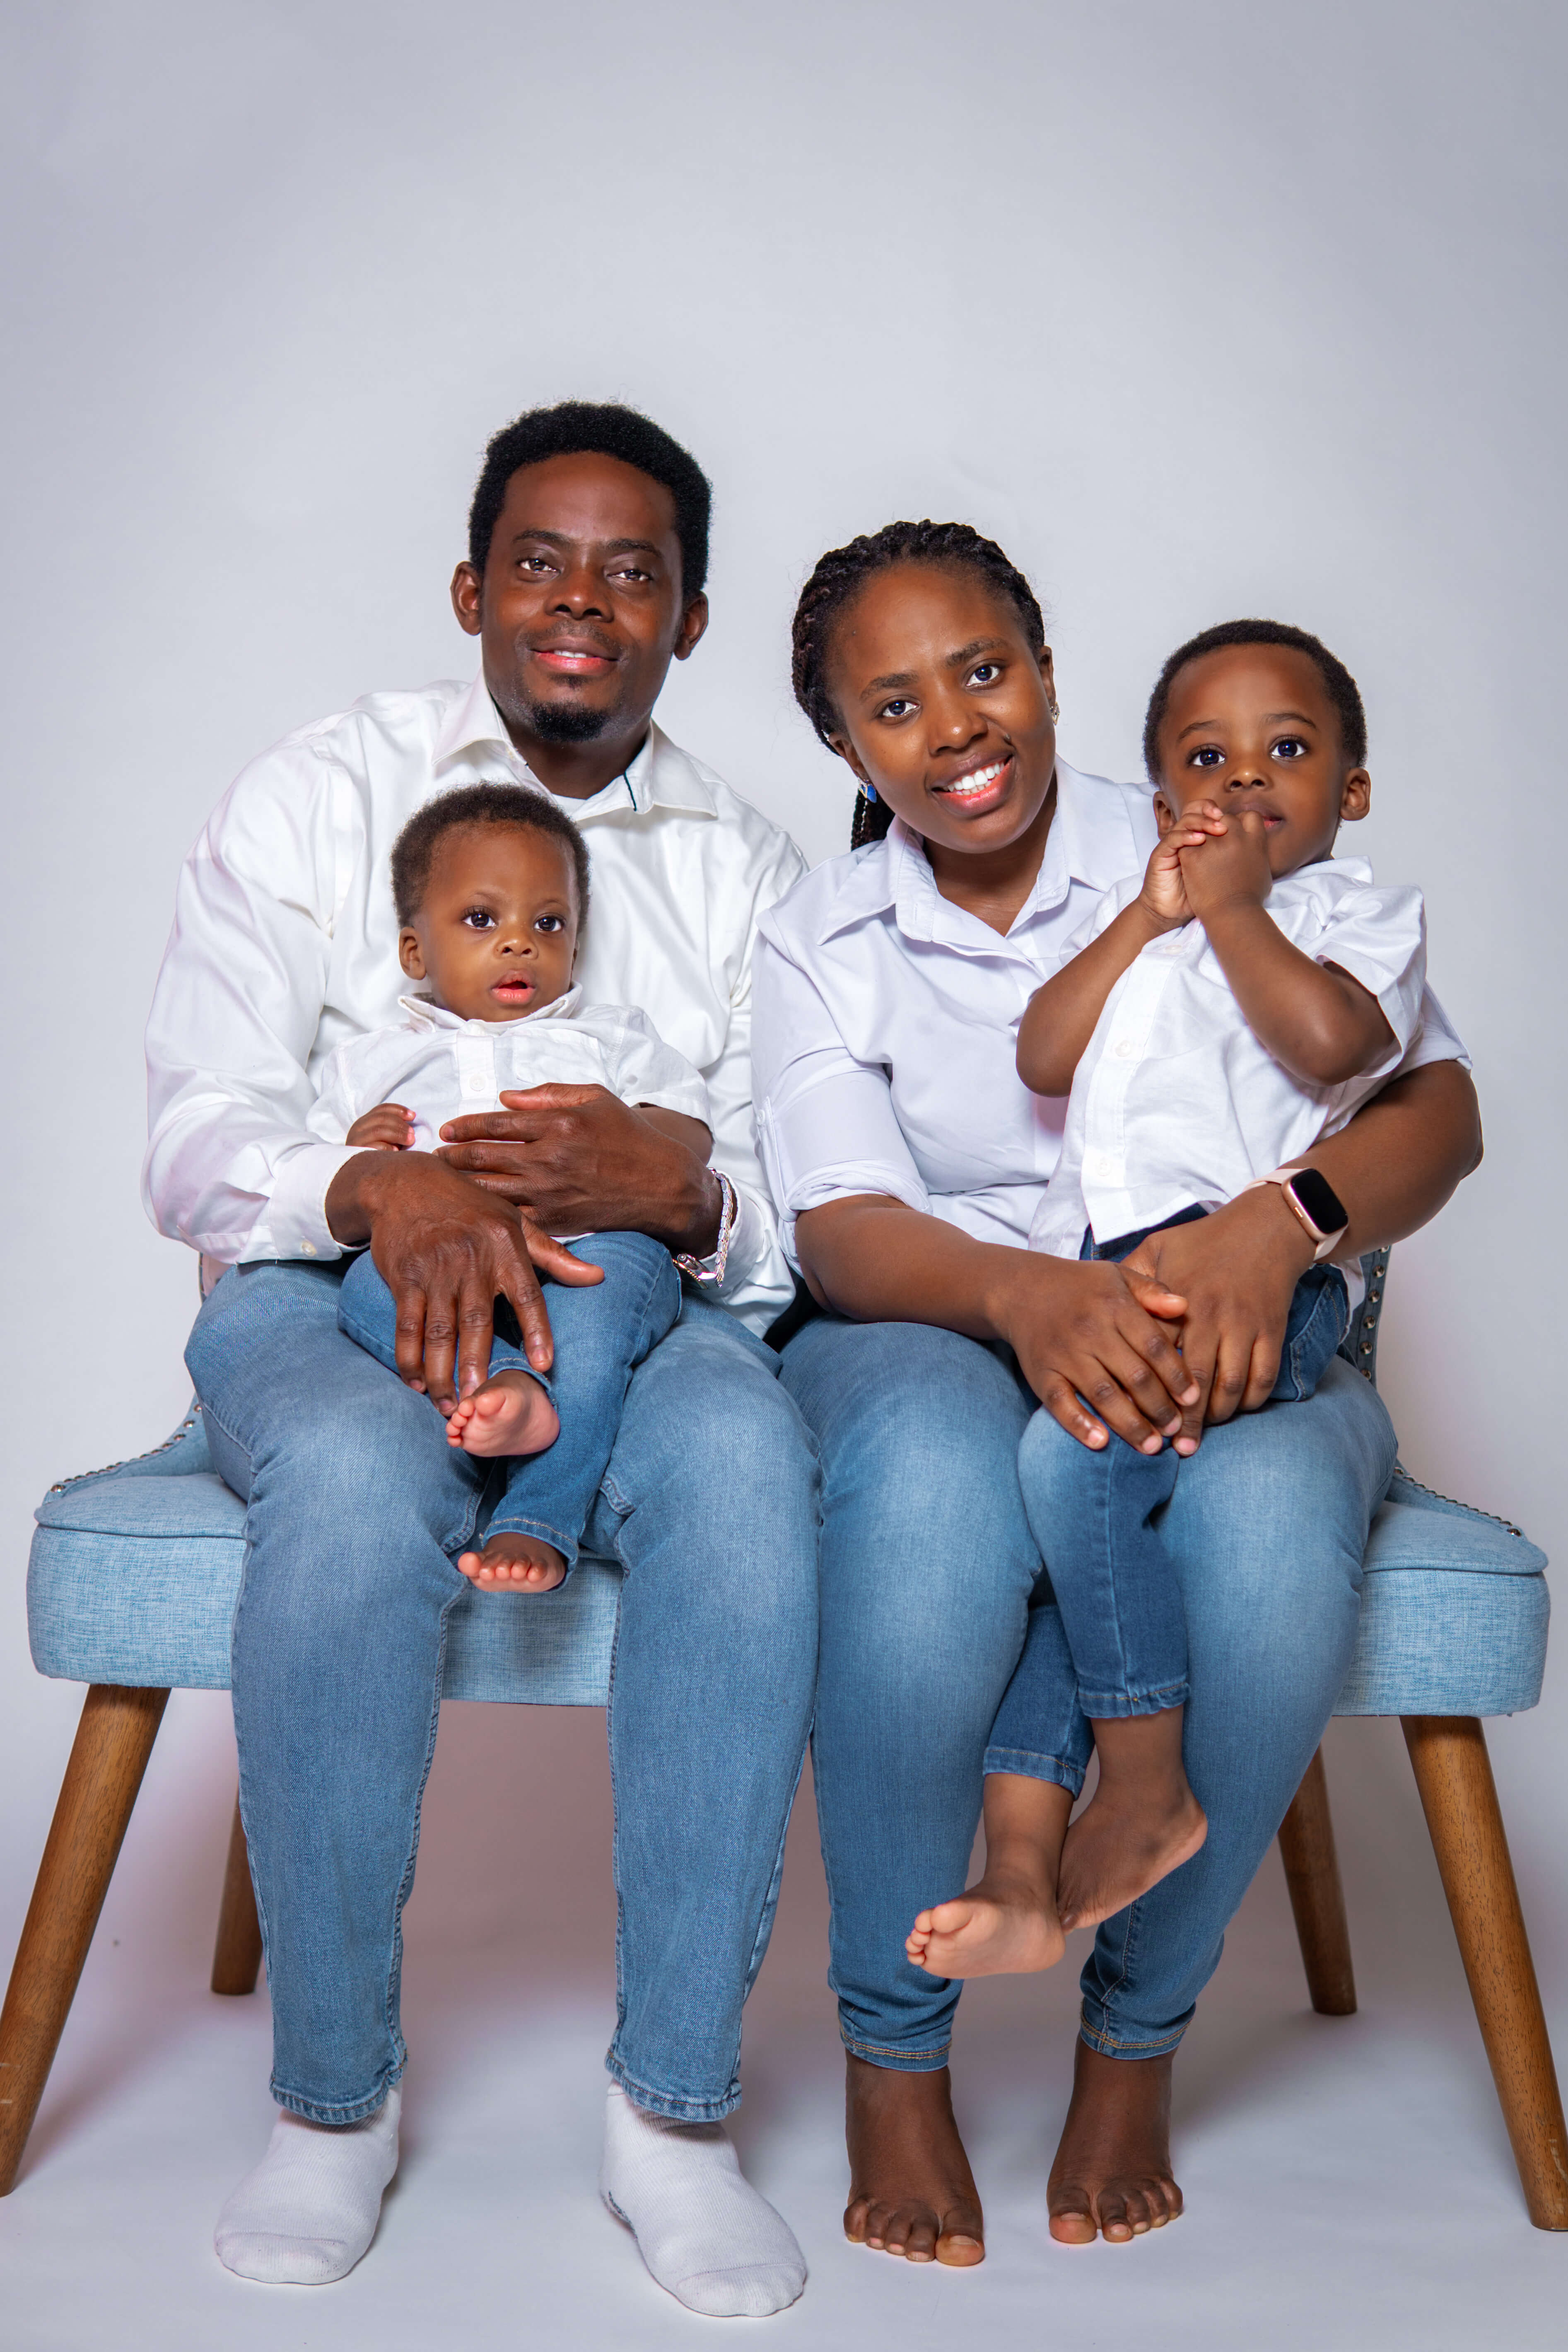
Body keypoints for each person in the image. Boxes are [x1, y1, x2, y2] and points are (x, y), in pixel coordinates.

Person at [143, 403, 817, 2316]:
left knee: (753, 1478)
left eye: (633, 568)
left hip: (636, 1295)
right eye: (541, 558)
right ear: (473, 587)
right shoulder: (318, 790)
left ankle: (672, 2112)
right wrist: (381, 1189)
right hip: (324, 1288)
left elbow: (792, 1203)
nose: (581, 601)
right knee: (357, 1480)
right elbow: (193, 1135)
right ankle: (333, 2097)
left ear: (690, 617)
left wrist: (679, 1187)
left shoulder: (747, 870)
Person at [753, 521, 1480, 2262]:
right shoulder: (825, 932)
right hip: (935, 1320)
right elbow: (846, 1230)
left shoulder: (1203, 826)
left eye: (984, 672)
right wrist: (1028, 1291)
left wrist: (1278, 1226)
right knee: (946, 1496)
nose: (955, 727)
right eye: (894, 706)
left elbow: (1429, 1111)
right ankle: (892, 2056)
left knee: (1269, 1531)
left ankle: (1131, 2042)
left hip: (1233, 1312)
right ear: (846, 749)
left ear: (1048, 670)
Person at [907, 619, 1426, 1977]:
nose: (1246, 780)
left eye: (1289, 751)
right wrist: (1151, 912)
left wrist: (1240, 902)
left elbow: (1333, 1044)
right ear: (1160, 807)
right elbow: (1041, 1052)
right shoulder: (1147, 928)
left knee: (1066, 1461)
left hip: (1263, 1272)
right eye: (1209, 760)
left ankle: (1141, 1791)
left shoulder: (1350, 918)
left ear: (1351, 790)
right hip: (1120, 1271)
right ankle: (1021, 1864)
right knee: (1066, 1544)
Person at [321, 781, 711, 1595]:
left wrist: (636, 1139)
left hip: (587, 1249)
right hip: (442, 1263)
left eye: (548, 922)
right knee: (361, 1287)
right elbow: (327, 1173)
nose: (518, 944)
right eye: (480, 919)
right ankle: (499, 1380)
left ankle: (538, 1516)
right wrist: (359, 1150)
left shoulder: (609, 1035)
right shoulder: (376, 1059)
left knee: (601, 1322)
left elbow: (684, 1136)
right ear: (415, 952)